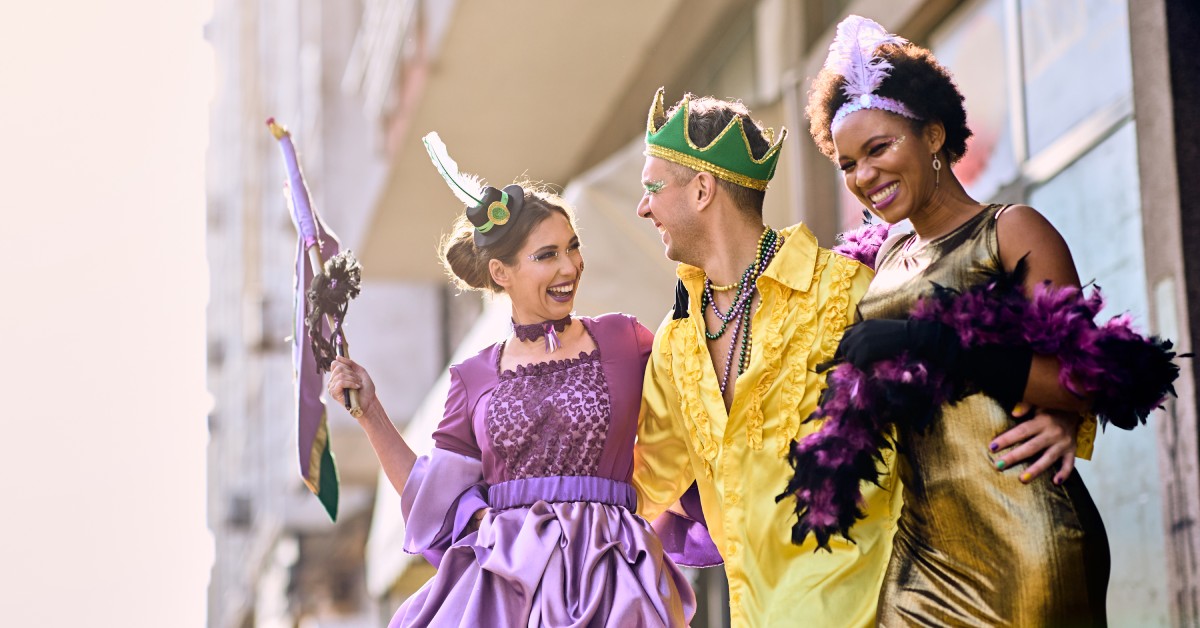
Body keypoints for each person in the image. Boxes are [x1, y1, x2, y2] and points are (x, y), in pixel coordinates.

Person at [630, 86, 1088, 627]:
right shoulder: (675, 338)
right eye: (850, 161)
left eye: (653, 187)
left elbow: (961, 385)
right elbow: (640, 481)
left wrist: (1063, 411)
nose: (643, 206)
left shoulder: (853, 291)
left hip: (882, 612)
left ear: (702, 189)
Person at [803, 15, 1117, 626]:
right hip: (922, 556)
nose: (864, 176)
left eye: (879, 148)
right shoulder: (882, 260)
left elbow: (1089, 376)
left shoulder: (1008, 230)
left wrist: (936, 344)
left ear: (934, 135)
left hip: (1025, 534)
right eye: (847, 164)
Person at [328, 143, 695, 626]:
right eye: (547, 255)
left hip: (616, 582)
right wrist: (369, 412)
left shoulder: (626, 340)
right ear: (501, 273)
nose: (569, 267)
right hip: (508, 588)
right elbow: (430, 495)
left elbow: (696, 406)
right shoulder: (473, 377)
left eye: (573, 247)